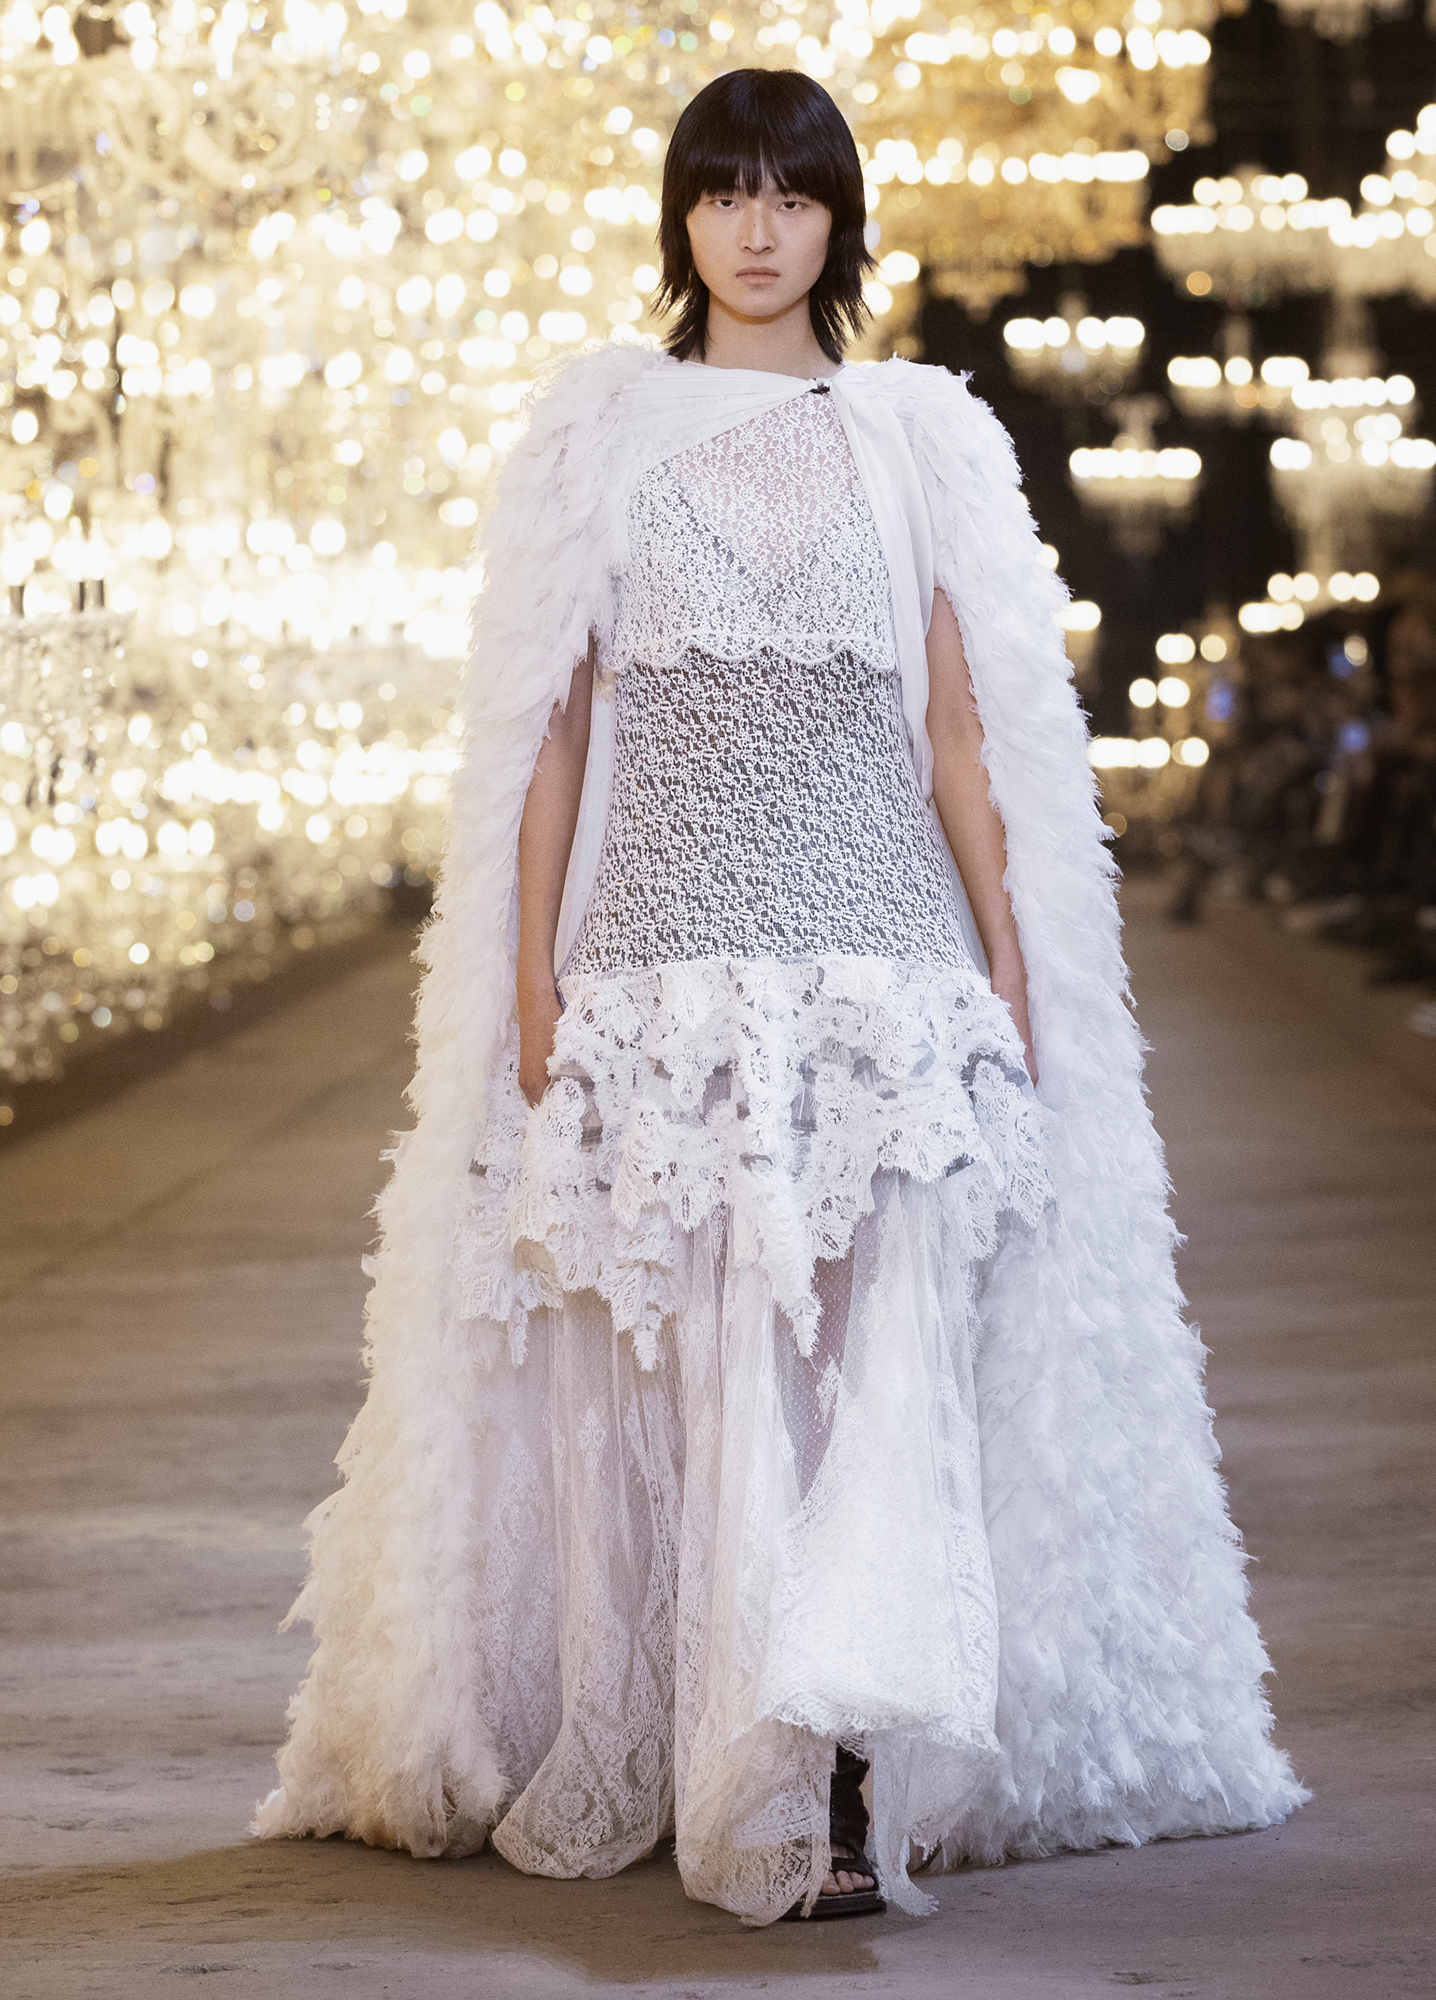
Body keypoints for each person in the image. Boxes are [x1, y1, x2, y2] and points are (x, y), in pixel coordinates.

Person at [253, 68, 1306, 1926]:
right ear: (681, 218)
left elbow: (960, 729)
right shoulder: (599, 431)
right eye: (725, 192)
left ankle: (832, 1766)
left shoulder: (913, 437)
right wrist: (526, 981)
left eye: (793, 195)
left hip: (883, 967)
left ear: (839, 221)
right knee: (702, 1369)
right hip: (657, 971)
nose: (757, 229)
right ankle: (736, 1751)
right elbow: (550, 731)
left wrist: (1014, 955)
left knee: (874, 1357)